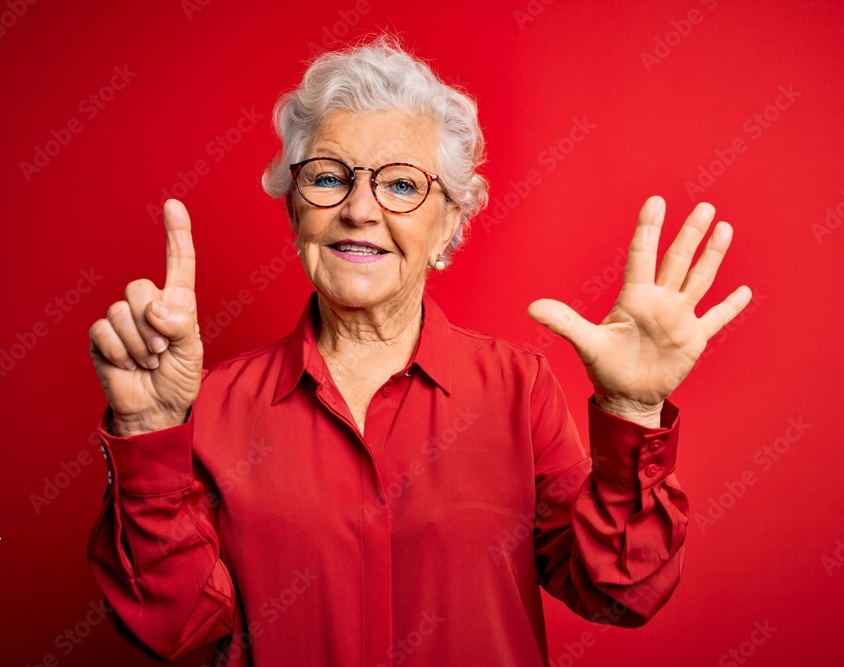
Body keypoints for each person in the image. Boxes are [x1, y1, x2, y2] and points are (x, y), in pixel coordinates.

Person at [86, 35, 751, 667]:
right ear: (295, 209)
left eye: (401, 184)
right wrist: (148, 431)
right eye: (328, 177)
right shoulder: (214, 404)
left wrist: (633, 409)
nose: (359, 209)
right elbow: (175, 626)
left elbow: (619, 590)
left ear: (450, 224)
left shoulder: (518, 388)